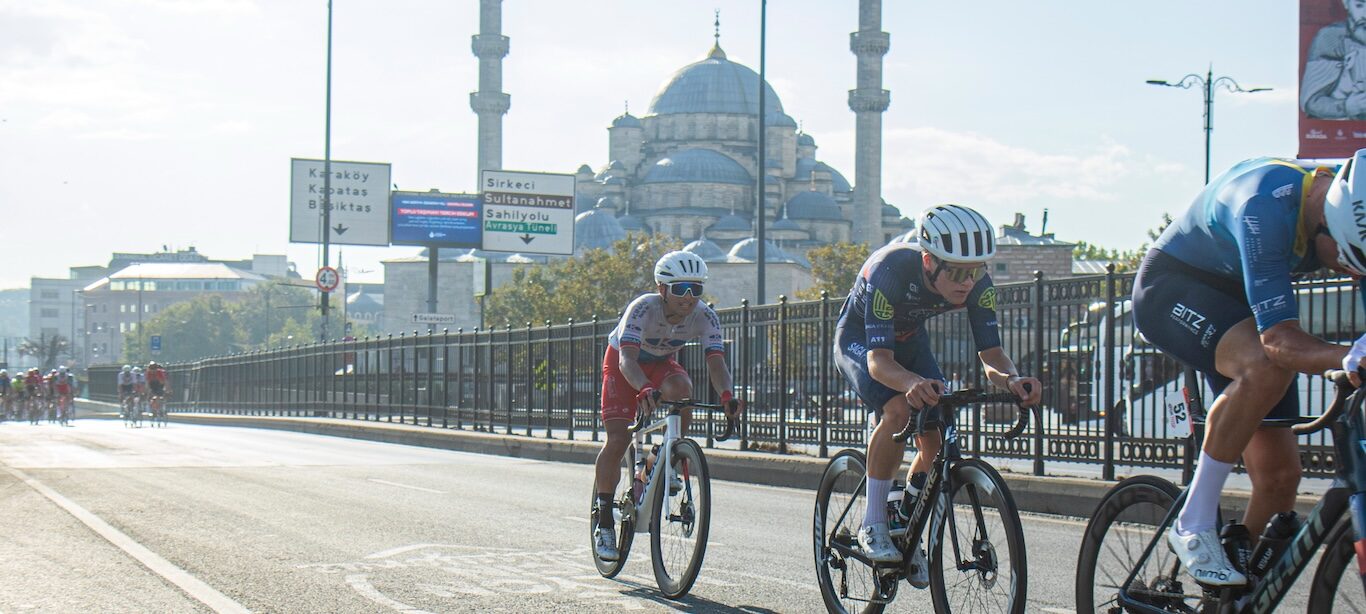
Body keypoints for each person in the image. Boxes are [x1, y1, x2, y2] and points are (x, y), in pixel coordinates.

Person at [1132, 152, 1366, 586]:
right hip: (1174, 285)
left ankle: (1228, 602)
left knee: (1280, 479)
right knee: (1266, 365)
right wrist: (1347, 356)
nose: (1346, 273)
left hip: (1244, 297)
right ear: (1325, 223)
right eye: (1345, 260)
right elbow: (1278, 342)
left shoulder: (1352, 197)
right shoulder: (1262, 208)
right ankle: (1193, 522)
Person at [833, 204, 1042, 585]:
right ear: (928, 261)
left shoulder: (978, 285)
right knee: (898, 410)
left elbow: (992, 355)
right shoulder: (890, 270)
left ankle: (905, 519)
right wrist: (910, 382)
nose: (968, 281)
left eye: (976, 270)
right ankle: (873, 522)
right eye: (959, 272)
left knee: (936, 433)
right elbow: (879, 362)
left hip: (911, 343)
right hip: (862, 342)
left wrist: (1012, 380)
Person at [591, 250, 745, 562]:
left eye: (696, 289)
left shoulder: (705, 316)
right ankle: (604, 520)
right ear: (662, 288)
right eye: (680, 289)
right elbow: (626, 360)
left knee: (683, 390)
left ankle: (664, 457)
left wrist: (727, 395)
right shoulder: (642, 309)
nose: (689, 297)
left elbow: (716, 362)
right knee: (618, 439)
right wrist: (644, 387)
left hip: (661, 363)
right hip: (625, 364)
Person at [1302, 0, 1366, 119]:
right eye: (1359, 5)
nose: (1365, 15)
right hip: (1339, 126)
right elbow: (1312, 101)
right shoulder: (1330, 38)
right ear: (1346, 3)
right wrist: (1347, 107)